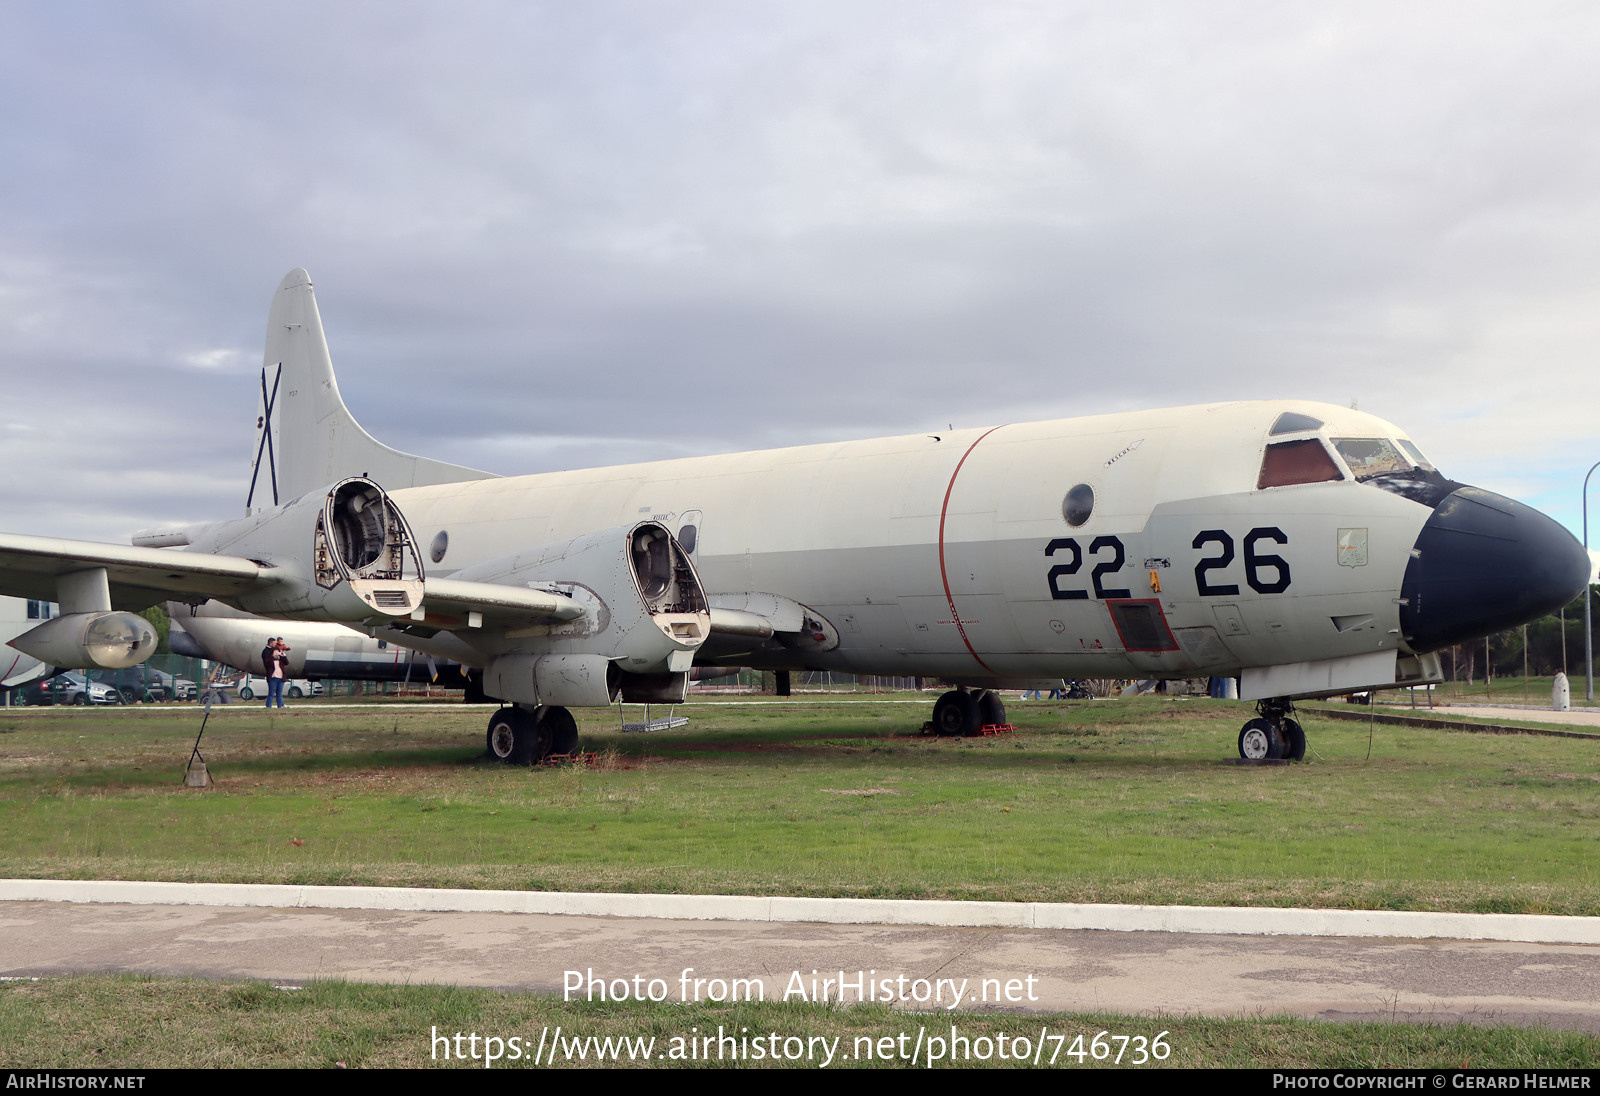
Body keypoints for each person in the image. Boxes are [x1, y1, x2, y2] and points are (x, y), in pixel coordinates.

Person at [264, 638, 289, 709]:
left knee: (279, 694)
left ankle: (280, 706)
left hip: (280, 678)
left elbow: (287, 663)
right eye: (275, 652)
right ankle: (268, 706)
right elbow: (267, 663)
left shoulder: (281, 660)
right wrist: (273, 656)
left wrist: (283, 655)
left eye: (278, 651)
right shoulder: (270, 659)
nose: (277, 653)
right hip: (273, 678)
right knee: (271, 693)